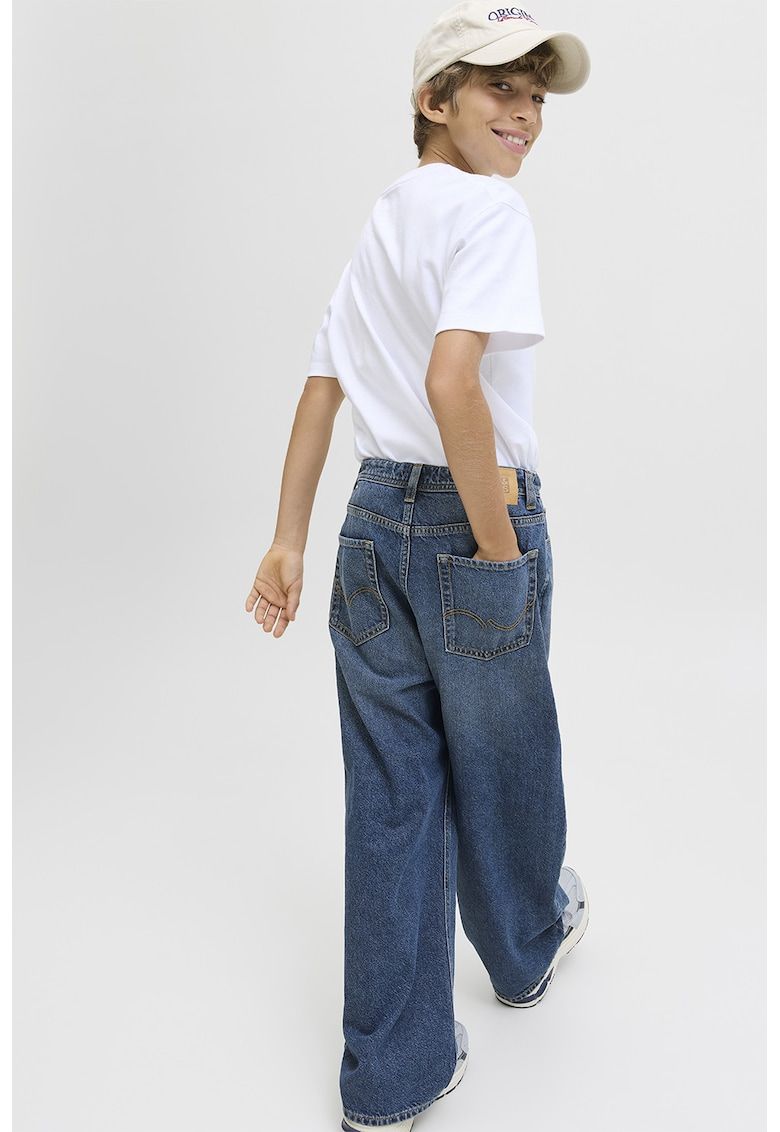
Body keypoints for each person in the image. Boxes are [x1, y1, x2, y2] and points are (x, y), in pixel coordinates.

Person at [244, 4, 592, 1129]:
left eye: (535, 95)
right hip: (470, 514)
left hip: (367, 527)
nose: (524, 114)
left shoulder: (384, 221)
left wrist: (289, 538)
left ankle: (391, 1077)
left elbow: (321, 391)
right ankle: (524, 949)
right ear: (433, 100)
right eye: (499, 88)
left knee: (393, 791)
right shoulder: (491, 210)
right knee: (508, 749)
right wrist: (496, 543)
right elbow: (454, 383)